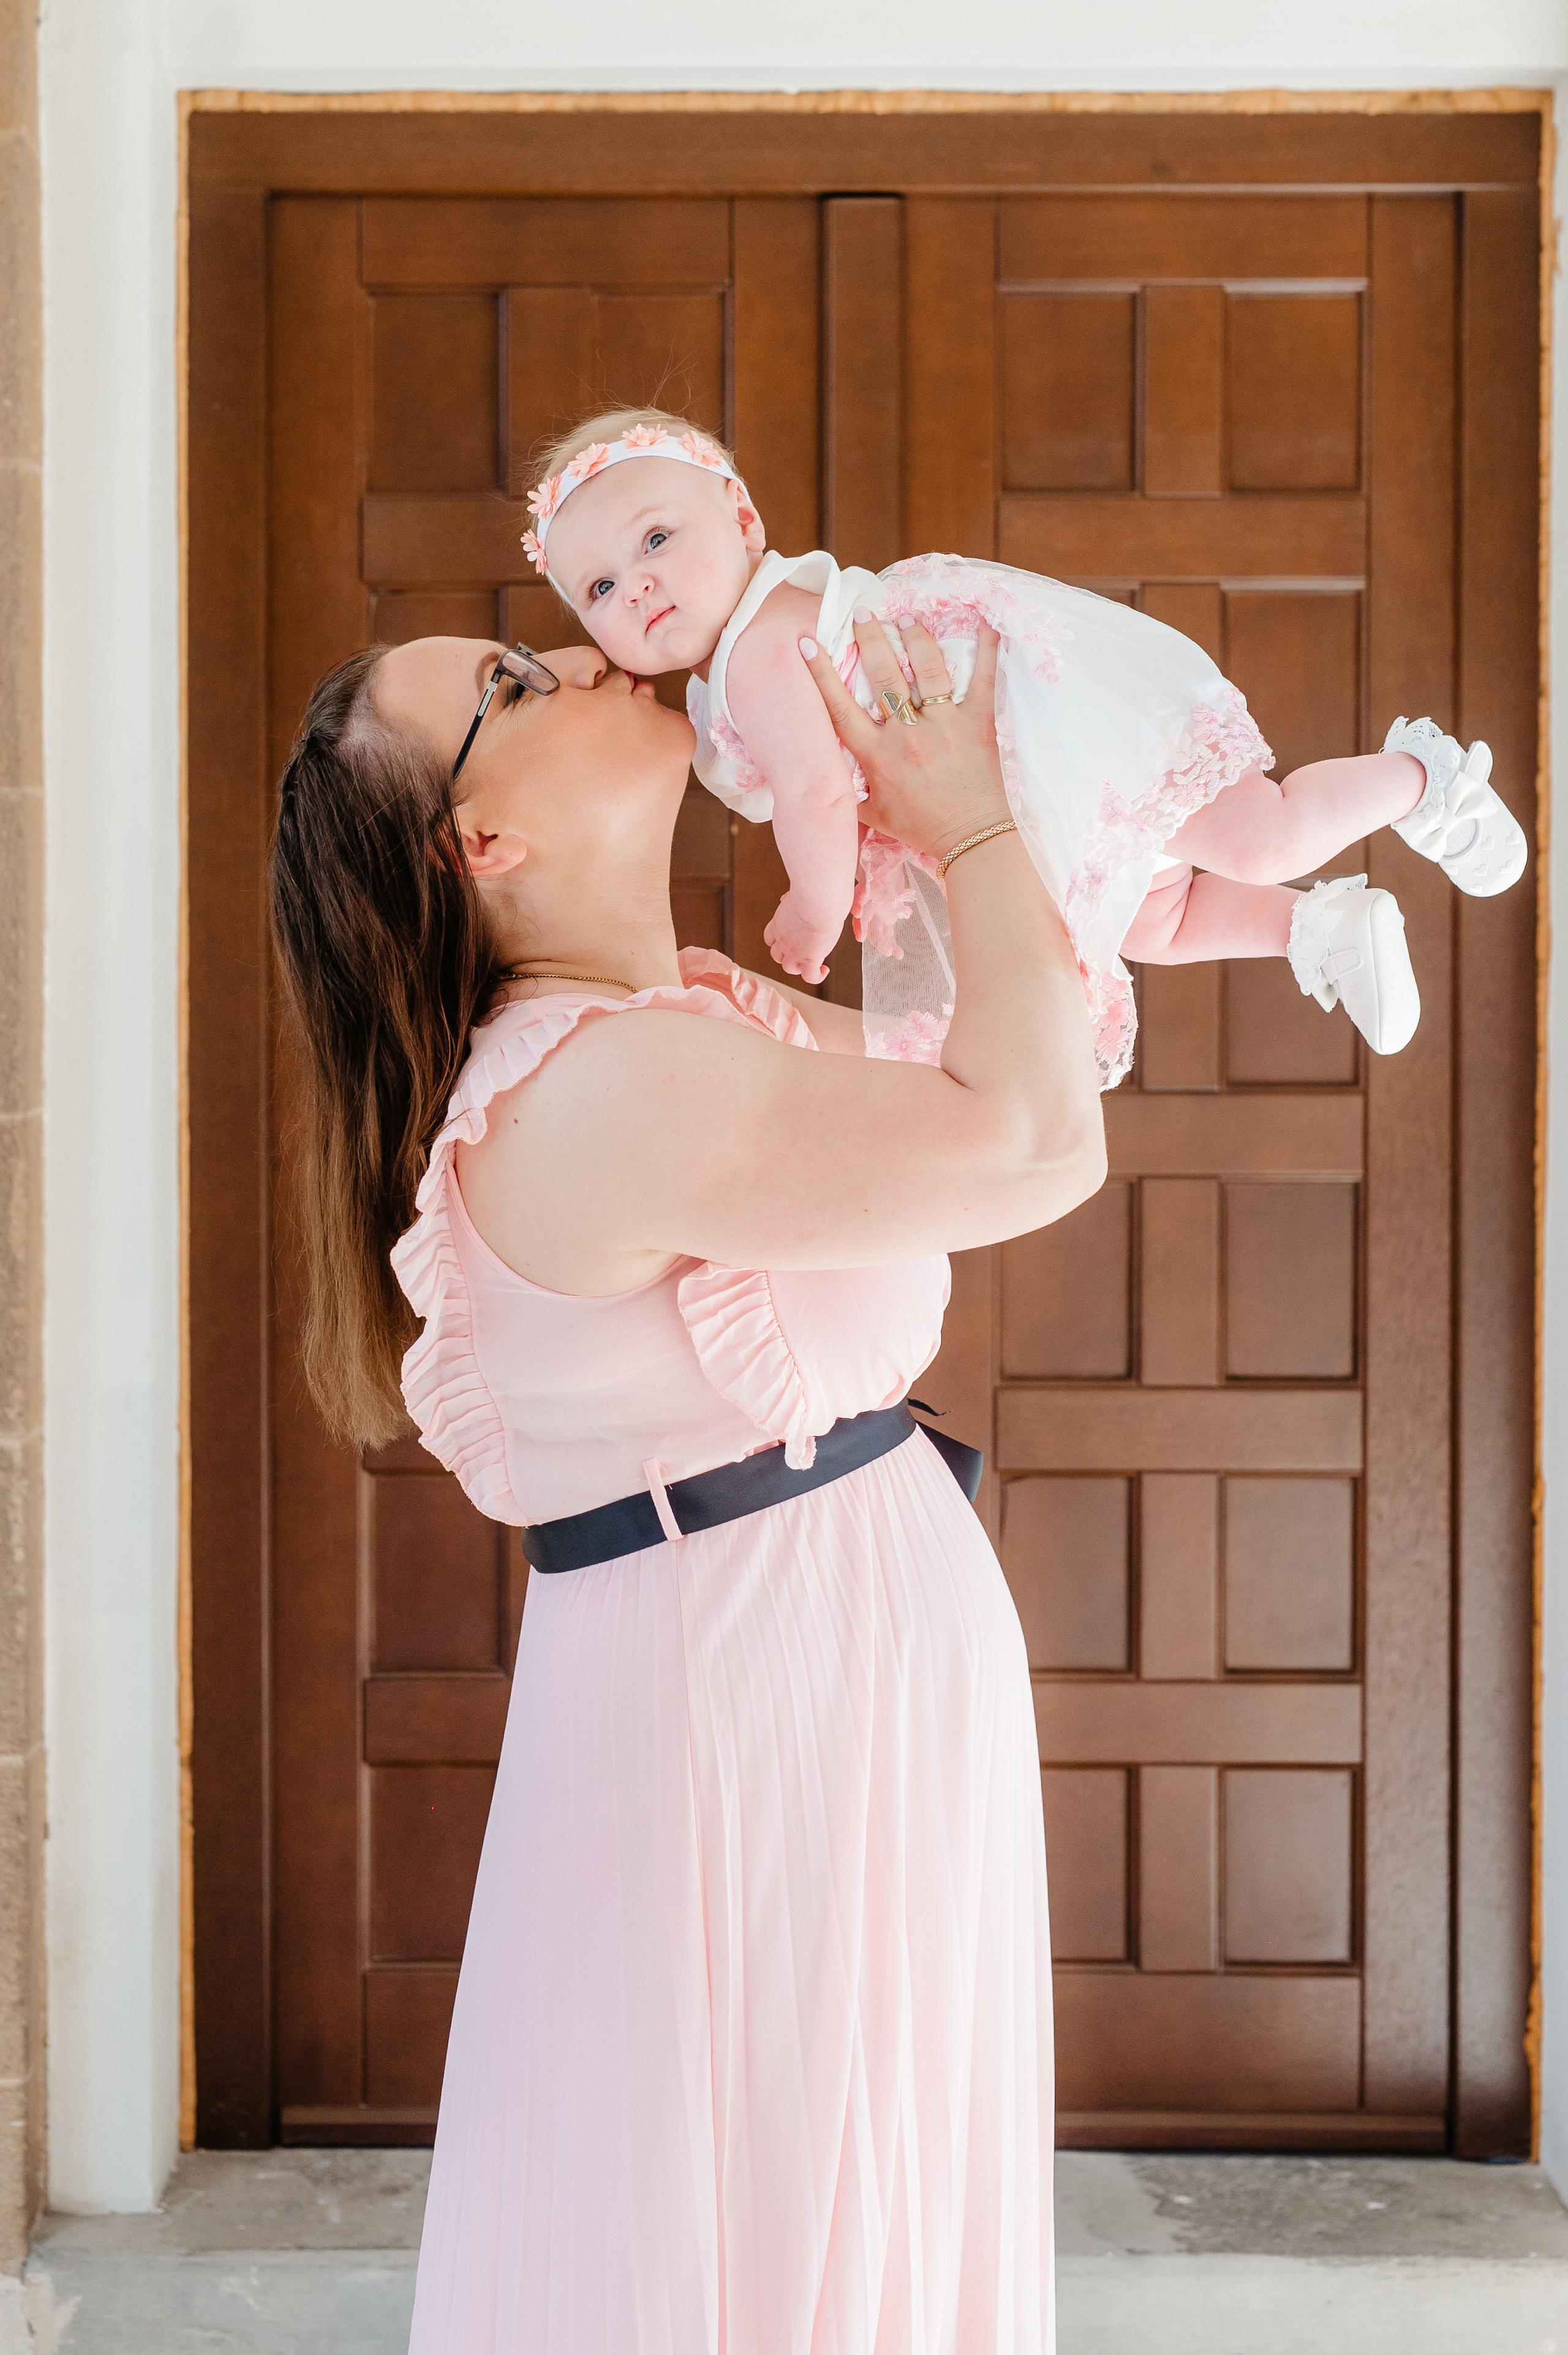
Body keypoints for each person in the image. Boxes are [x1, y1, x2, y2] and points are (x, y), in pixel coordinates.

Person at [268, 605, 1105, 2354]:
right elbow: (1032, 1139)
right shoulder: (601, 1084)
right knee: (777, 2212)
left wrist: (947, 843)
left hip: (815, 1673)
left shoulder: (680, 1022)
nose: (569, 657)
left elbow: (1025, 1065)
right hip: (764, 1703)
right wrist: (970, 825)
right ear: (482, 846)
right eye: (506, 689)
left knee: (832, 2193)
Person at [522, 407, 1528, 1078]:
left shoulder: (760, 651)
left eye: (655, 540)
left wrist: (814, 907)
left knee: (1254, 836)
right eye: (602, 588)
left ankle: (1423, 778)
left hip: (1053, 737)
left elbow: (817, 794)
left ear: (741, 519)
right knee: (1151, 922)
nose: (639, 585)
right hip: (1028, 781)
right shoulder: (733, 674)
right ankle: (1313, 929)